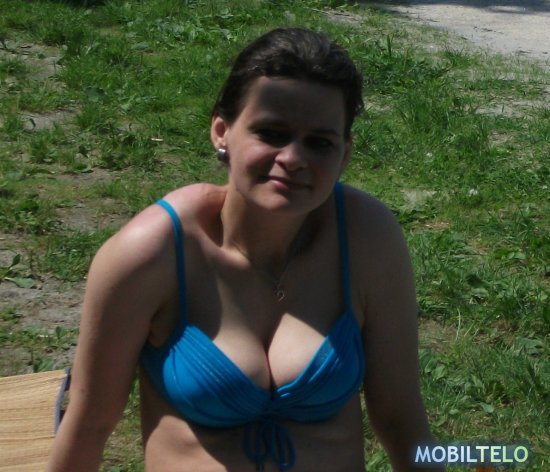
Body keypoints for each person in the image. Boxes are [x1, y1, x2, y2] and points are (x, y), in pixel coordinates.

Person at [47, 27, 438, 472]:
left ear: (344, 153)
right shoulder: (154, 252)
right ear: (222, 131)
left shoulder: (367, 237)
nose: (293, 158)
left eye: (319, 142)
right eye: (271, 133)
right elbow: (89, 425)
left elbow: (401, 418)